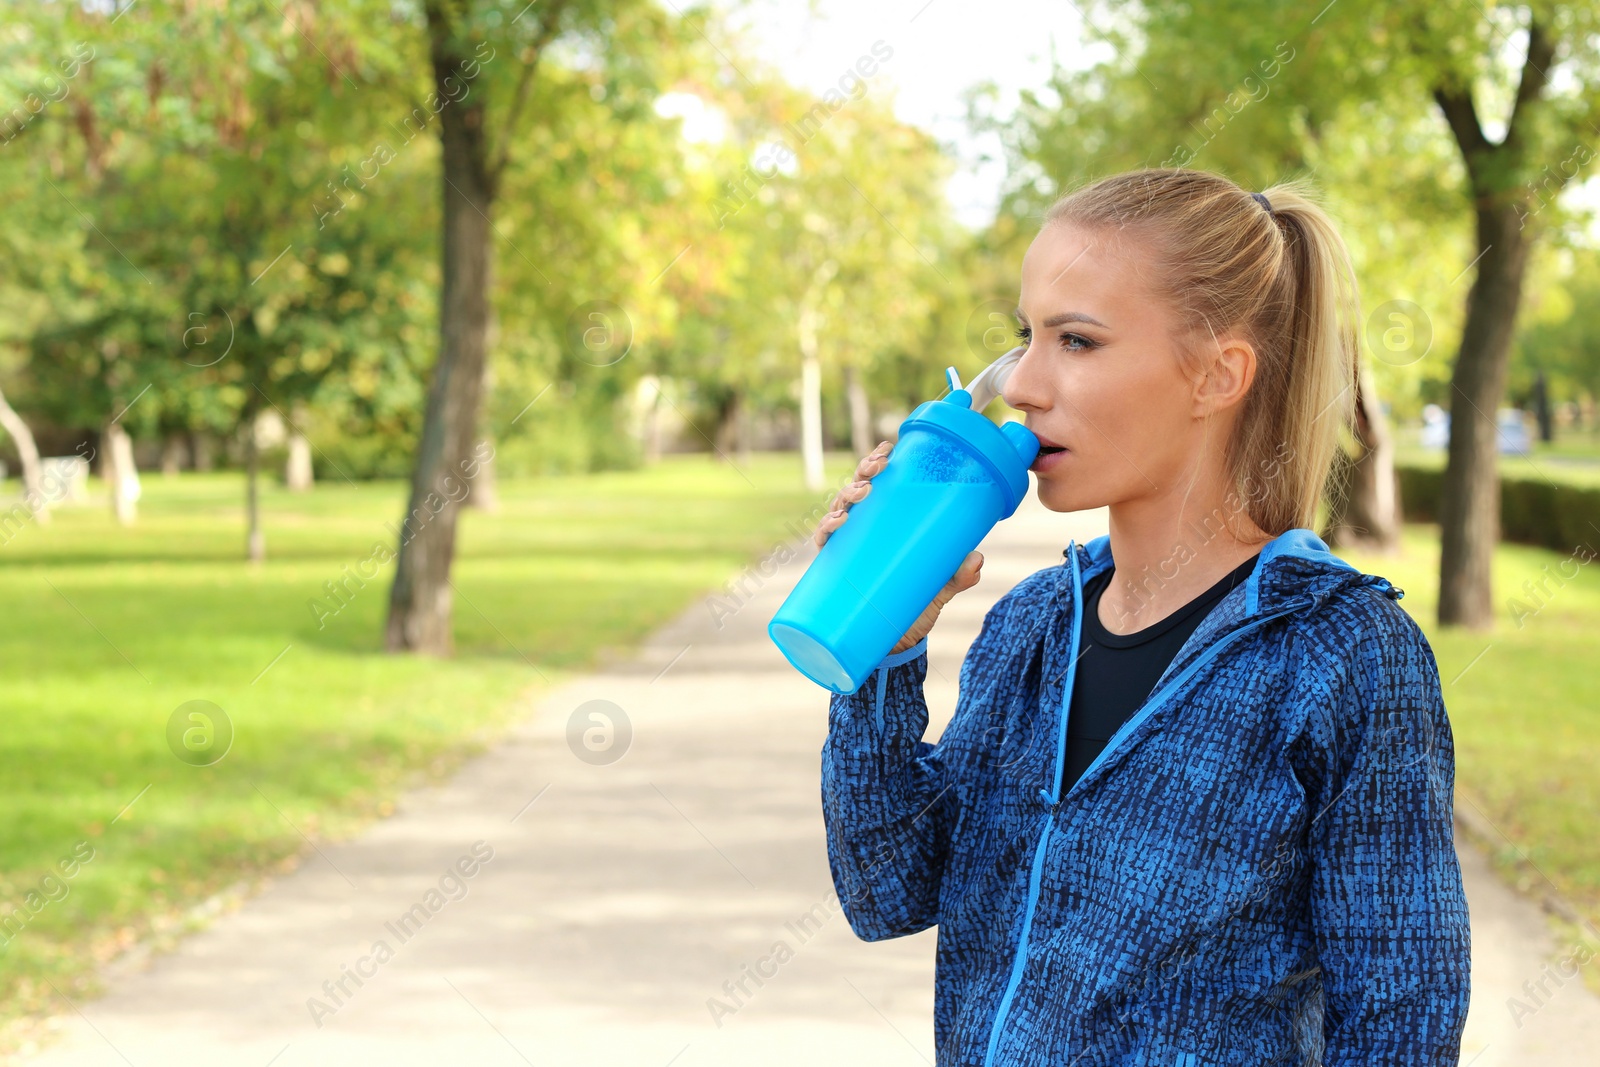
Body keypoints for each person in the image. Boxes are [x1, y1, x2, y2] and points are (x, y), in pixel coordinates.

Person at [813, 168, 1469, 1066]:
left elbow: (1404, 1025)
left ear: (1218, 375)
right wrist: (885, 646)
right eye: (1027, 336)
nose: (1025, 384)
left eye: (1076, 341)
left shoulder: (1340, 654)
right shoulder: (1035, 625)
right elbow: (886, 888)